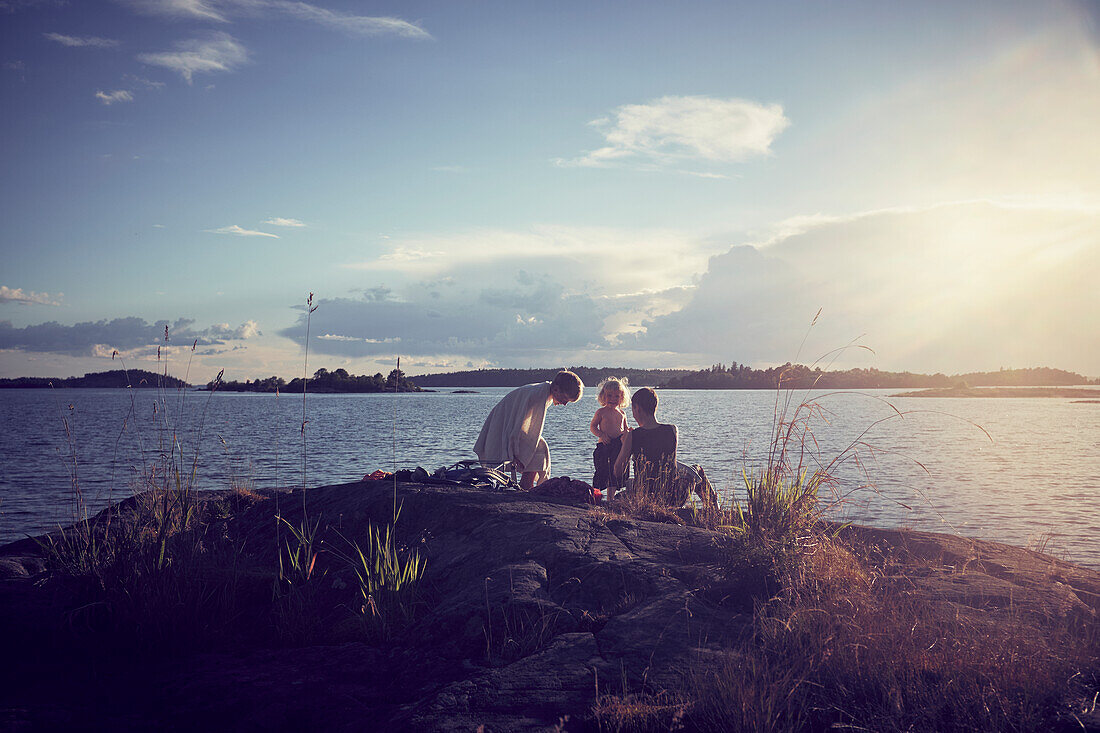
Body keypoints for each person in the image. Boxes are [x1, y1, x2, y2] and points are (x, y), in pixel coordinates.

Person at [474, 370, 584, 489]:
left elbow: (523, 425)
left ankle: (526, 484)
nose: (564, 404)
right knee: (539, 448)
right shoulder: (538, 397)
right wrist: (514, 453)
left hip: (506, 427)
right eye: (565, 399)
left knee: (539, 447)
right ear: (556, 389)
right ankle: (527, 485)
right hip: (501, 429)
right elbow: (522, 427)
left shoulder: (543, 391)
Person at [613, 387, 678, 504]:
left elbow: (618, 471)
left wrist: (625, 446)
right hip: (669, 495)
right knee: (697, 469)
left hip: (643, 495)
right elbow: (670, 462)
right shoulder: (672, 430)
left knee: (617, 498)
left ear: (637, 408)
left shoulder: (632, 435)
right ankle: (714, 507)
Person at [590, 377, 630, 500]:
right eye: (609, 395)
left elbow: (625, 429)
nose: (613, 399)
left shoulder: (622, 413)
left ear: (622, 397)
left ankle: (610, 499)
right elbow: (592, 427)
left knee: (614, 473)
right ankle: (596, 496)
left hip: (617, 446)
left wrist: (628, 433)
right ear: (603, 396)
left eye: (616, 396)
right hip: (604, 445)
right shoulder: (601, 412)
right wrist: (601, 434)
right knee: (602, 470)